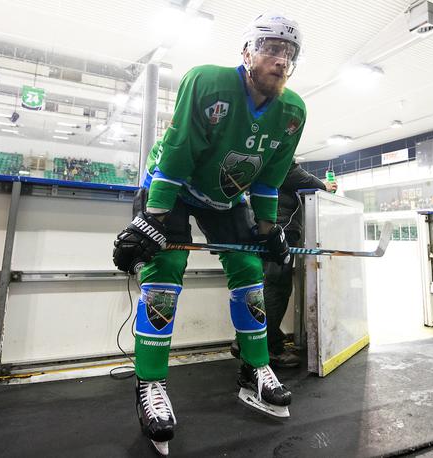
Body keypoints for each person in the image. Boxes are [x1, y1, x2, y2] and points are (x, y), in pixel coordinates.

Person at [112, 12, 305, 455]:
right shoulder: (207, 82)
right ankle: (151, 383)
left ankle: (255, 369)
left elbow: (269, 177)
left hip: (224, 194)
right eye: (272, 48)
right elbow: (178, 153)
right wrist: (154, 220)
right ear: (247, 52)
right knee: (165, 268)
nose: (281, 59)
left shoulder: (293, 111)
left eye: (289, 53)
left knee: (248, 265)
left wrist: (267, 230)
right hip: (173, 184)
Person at [230, 162, 337, 367]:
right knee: (276, 287)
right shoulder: (280, 153)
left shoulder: (259, 153)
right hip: (279, 229)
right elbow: (300, 177)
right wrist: (324, 186)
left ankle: (245, 340)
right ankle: (269, 348)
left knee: (262, 286)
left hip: (266, 225)